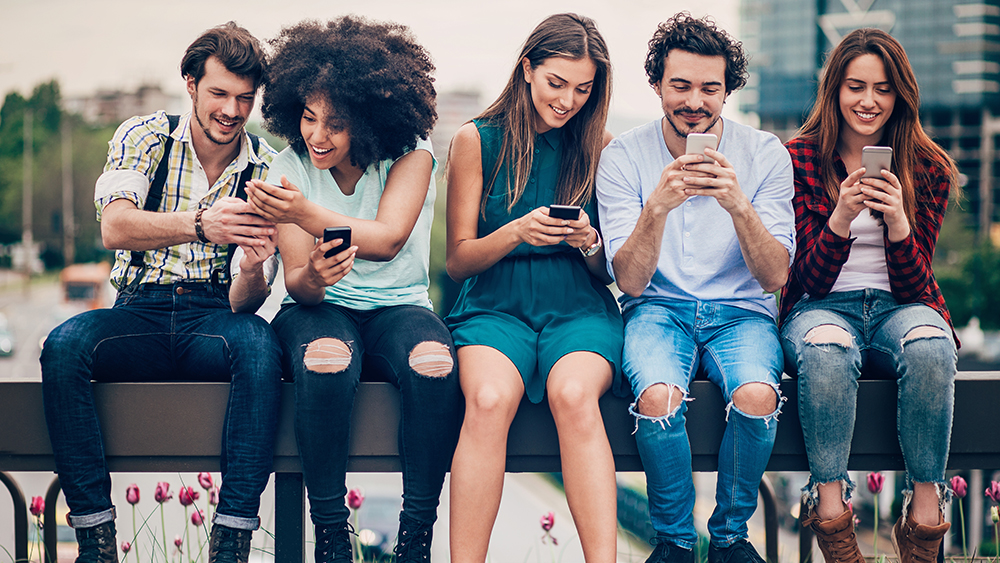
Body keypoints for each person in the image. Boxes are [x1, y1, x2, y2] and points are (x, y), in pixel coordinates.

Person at [40, 22, 281, 563]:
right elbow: (115, 227)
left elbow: (247, 302)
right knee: (63, 346)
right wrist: (203, 224)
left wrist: (252, 268)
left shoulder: (267, 167)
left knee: (261, 345)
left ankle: (232, 541)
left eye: (245, 99)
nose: (231, 110)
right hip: (137, 312)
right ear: (190, 84)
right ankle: (96, 541)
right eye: (218, 93)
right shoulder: (145, 134)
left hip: (213, 317)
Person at [243, 17, 463, 563]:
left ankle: (416, 537)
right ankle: (331, 533)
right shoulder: (286, 166)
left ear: (368, 123)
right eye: (309, 118)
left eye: (336, 125)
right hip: (319, 311)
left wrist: (302, 212)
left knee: (435, 363)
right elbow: (298, 284)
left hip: (400, 305)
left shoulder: (411, 153)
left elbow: (387, 240)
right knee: (323, 359)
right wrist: (314, 275)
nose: (317, 135)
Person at [596, 12, 795, 563]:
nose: (695, 101)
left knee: (758, 397)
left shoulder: (765, 154)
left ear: (727, 90)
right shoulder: (623, 157)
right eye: (680, 86)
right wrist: (656, 208)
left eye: (710, 88)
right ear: (657, 84)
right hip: (657, 309)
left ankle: (729, 538)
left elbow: (775, 276)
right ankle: (676, 542)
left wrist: (737, 203)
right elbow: (629, 280)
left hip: (741, 312)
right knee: (658, 399)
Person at [444, 13, 623, 563]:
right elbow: (457, 260)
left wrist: (590, 240)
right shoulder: (475, 140)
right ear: (527, 69)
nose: (569, 100)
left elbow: (606, 272)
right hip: (495, 307)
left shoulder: (600, 145)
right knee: (489, 399)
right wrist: (517, 231)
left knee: (575, 397)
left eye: (584, 89)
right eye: (556, 83)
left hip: (578, 308)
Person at [781, 28, 959, 563]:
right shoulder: (798, 159)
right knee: (827, 348)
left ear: (900, 96)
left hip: (900, 307)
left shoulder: (928, 166)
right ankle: (831, 513)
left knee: (931, 346)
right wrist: (839, 219)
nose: (868, 101)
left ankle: (925, 510)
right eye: (855, 86)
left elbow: (915, 286)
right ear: (834, 90)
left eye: (883, 89)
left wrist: (900, 223)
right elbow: (805, 280)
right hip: (819, 307)